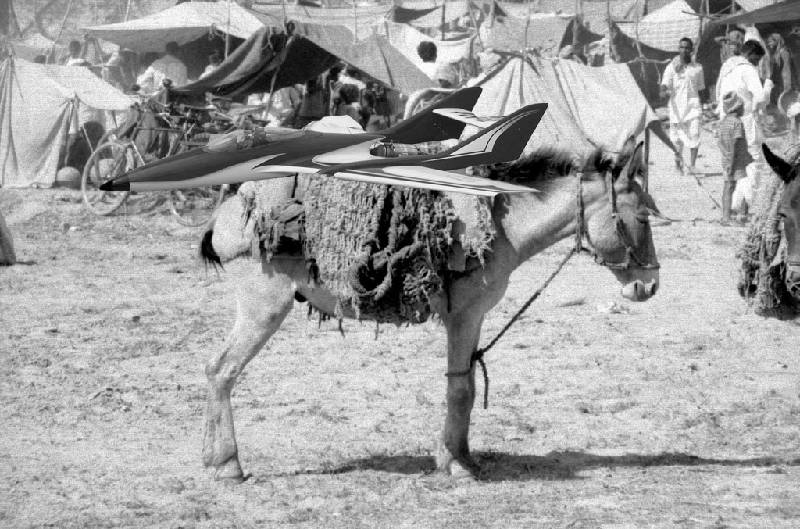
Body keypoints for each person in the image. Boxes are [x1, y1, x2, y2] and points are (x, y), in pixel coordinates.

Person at [717, 40, 772, 182]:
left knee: (731, 156)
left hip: (726, 119)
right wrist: (768, 85)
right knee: (753, 156)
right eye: (757, 59)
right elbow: (760, 98)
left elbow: (718, 94)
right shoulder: (748, 69)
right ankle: (750, 190)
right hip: (745, 120)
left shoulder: (727, 66)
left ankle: (733, 188)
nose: (757, 63)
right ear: (750, 54)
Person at [660, 37, 705, 171]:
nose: (684, 50)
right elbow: (664, 84)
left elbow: (701, 88)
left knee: (695, 134)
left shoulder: (698, 68)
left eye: (687, 48)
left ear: (691, 50)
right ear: (678, 49)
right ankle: (678, 162)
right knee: (676, 140)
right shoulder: (671, 67)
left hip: (693, 108)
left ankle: (692, 166)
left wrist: (704, 106)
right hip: (677, 109)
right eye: (681, 47)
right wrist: (663, 91)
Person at [718, 92, 752, 224]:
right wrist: (731, 163)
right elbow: (735, 143)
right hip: (735, 161)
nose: (743, 108)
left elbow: (721, 142)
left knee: (730, 186)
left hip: (726, 158)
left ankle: (729, 215)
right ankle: (732, 216)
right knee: (737, 187)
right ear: (737, 108)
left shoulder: (724, 122)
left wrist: (727, 158)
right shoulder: (737, 123)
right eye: (742, 106)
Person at [764, 33, 794, 107]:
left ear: (777, 41)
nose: (769, 44)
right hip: (778, 83)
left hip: (784, 83)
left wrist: (787, 88)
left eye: (771, 42)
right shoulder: (776, 53)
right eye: (768, 42)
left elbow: (786, 70)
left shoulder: (784, 52)